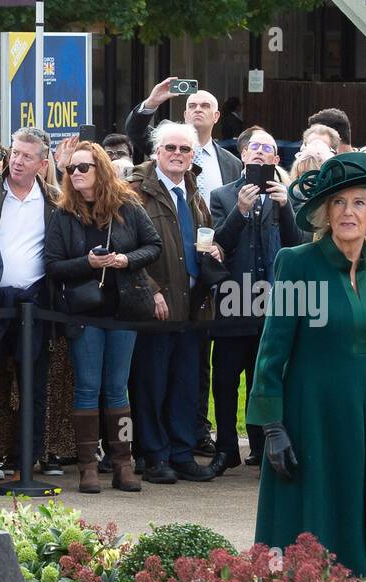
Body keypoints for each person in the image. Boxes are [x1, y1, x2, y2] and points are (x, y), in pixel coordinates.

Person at [248, 153, 366, 582]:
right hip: (312, 415)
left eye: (359, 203)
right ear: (324, 214)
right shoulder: (297, 263)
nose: (348, 212)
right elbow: (272, 350)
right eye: (337, 202)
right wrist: (273, 425)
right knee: (313, 518)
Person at [45, 142, 162, 493]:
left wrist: (125, 260)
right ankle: (87, 468)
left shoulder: (127, 206)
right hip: (84, 312)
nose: (76, 174)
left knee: (117, 389)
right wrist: (89, 263)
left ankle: (123, 464)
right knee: (87, 388)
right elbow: (52, 265)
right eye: (71, 169)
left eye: (83, 168)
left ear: (101, 170)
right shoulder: (63, 213)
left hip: (123, 309)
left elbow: (153, 245)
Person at [129, 121, 222, 484]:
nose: (178, 155)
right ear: (156, 152)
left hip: (194, 304)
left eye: (185, 150)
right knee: (152, 383)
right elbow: (127, 247)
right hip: (157, 305)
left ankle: (182, 453)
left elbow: (205, 236)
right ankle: (154, 456)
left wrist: (215, 250)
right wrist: (150, 289)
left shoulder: (196, 192)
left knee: (186, 381)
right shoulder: (138, 192)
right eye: (171, 148)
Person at [209, 126, 301, 475]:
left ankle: (263, 447)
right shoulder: (223, 195)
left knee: (266, 376)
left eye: (269, 149)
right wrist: (241, 210)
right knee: (227, 379)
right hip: (235, 299)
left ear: (277, 159)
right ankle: (226, 449)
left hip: (275, 303)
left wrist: (286, 206)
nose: (261, 153)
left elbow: (296, 246)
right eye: (255, 148)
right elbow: (219, 244)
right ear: (244, 155)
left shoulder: (287, 195)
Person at [0, 127, 57, 479]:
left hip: (34, 303)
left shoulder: (56, 200)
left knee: (33, 384)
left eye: (27, 156)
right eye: (14, 153)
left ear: (42, 163)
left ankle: (28, 457)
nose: (17, 161)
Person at [124, 77, 242, 200]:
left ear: (216, 116)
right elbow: (135, 130)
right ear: (185, 115)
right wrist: (152, 102)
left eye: (205, 106)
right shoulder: (168, 147)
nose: (198, 109)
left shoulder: (233, 163)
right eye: (192, 106)